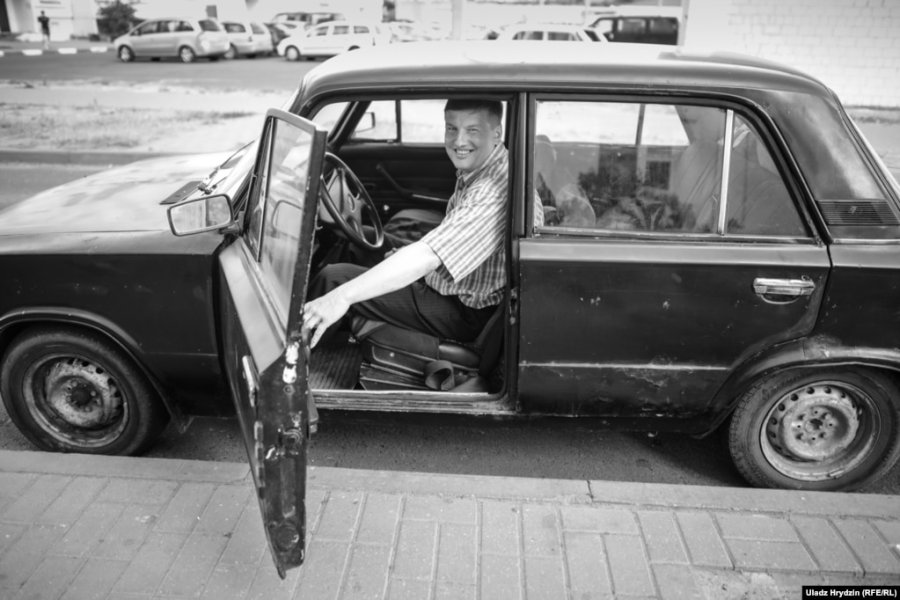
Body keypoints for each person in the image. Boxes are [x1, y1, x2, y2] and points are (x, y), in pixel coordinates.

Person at [303, 99, 531, 348]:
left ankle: (297, 359)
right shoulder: (489, 166)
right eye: (452, 128)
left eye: (472, 130)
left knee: (334, 280)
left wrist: (340, 297)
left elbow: (428, 256)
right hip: (458, 285)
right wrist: (407, 257)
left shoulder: (491, 192)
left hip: (466, 310)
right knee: (362, 241)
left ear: (497, 133)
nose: (459, 141)